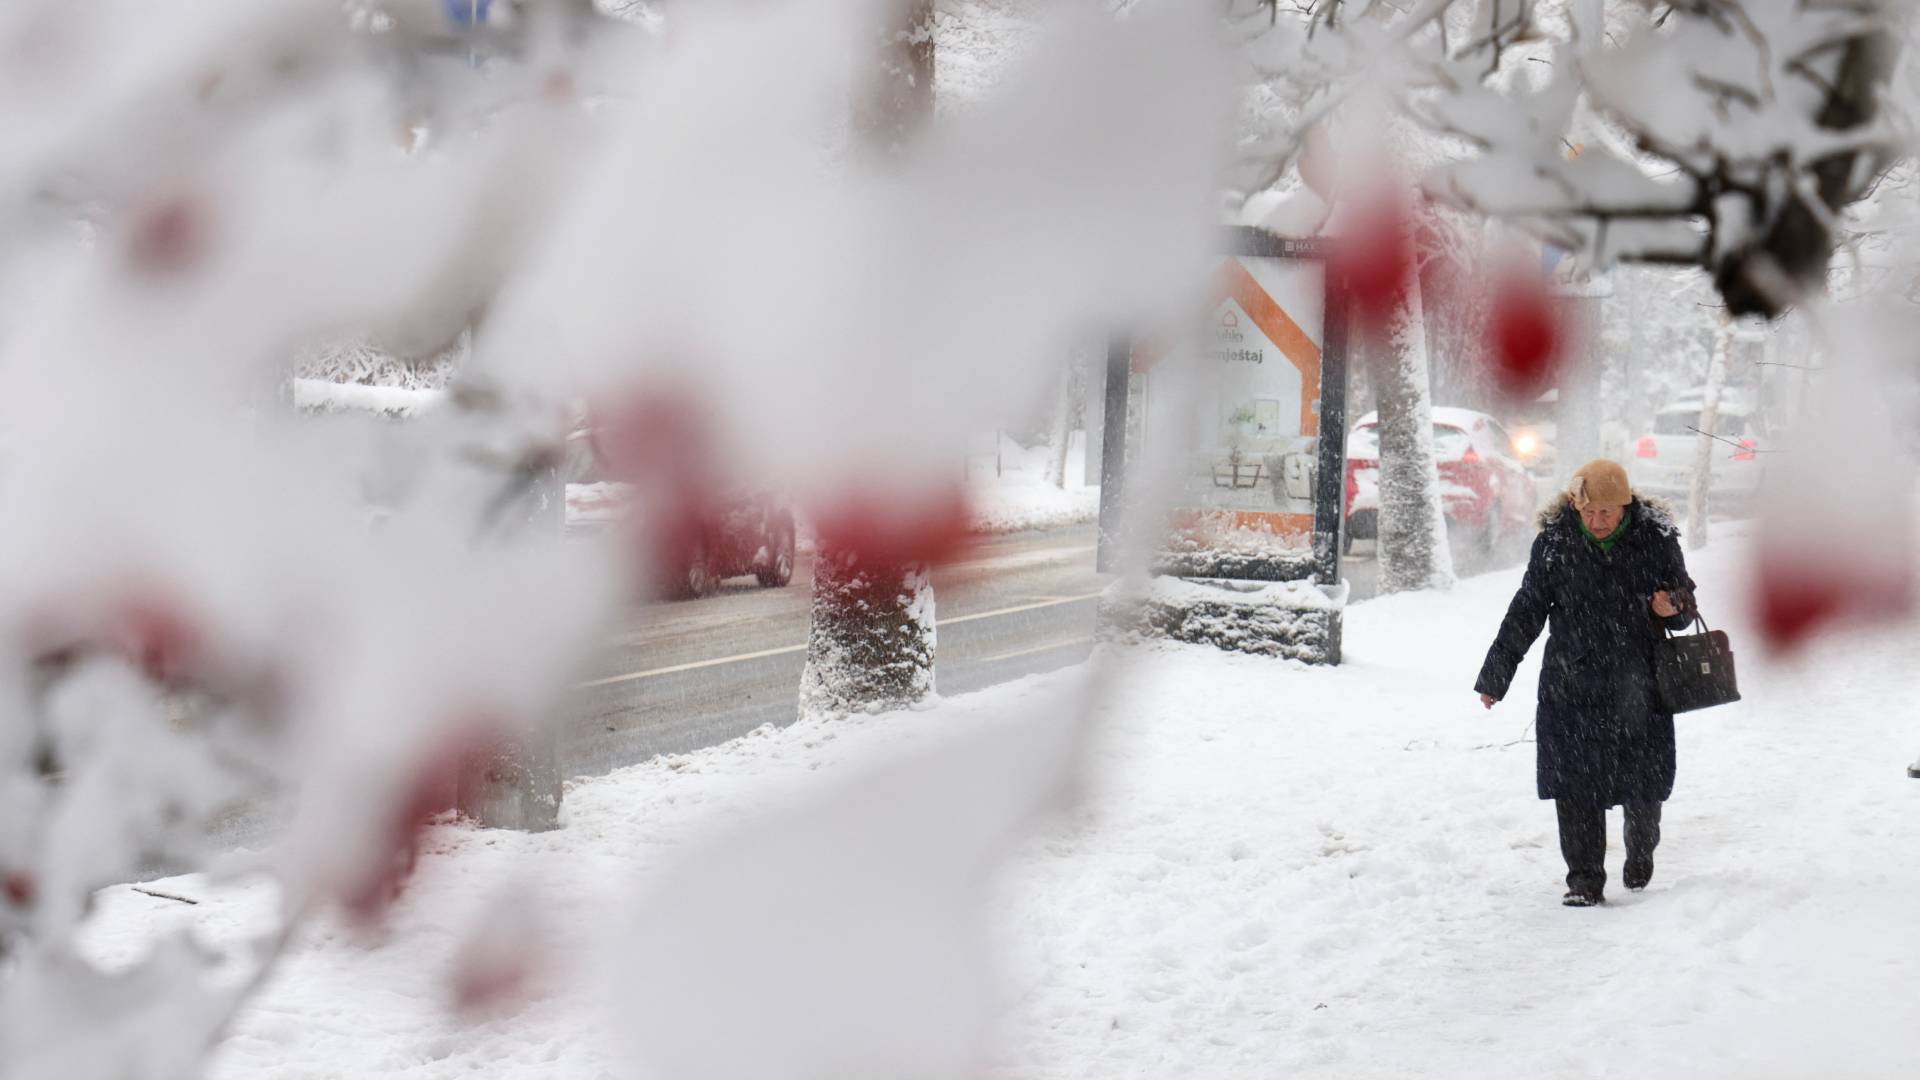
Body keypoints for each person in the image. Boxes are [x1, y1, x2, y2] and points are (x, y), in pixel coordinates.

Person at [1474, 459, 1697, 907]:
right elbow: (1527, 610)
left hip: (1641, 684)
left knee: (1642, 784)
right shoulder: (1555, 543)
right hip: (1572, 684)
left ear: (1626, 506)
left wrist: (1671, 607)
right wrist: (1496, 674)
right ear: (1575, 506)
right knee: (1575, 785)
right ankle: (1584, 880)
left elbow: (1685, 602)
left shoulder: (1655, 539)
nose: (1596, 522)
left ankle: (1640, 849)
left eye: (1607, 513)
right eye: (1588, 512)